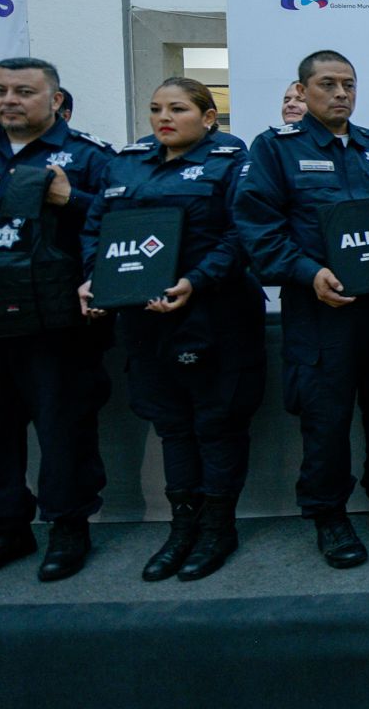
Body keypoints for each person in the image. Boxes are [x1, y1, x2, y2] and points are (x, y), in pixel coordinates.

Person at [233, 50, 369, 568]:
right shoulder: (276, 149)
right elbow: (258, 228)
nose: (341, 93)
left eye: (349, 84)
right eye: (327, 84)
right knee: (325, 418)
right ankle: (329, 515)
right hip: (321, 309)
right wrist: (306, 273)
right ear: (302, 91)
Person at [0, 58, 115, 586]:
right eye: (0, 90)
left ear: (55, 100)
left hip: (53, 322)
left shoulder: (89, 155)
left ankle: (69, 526)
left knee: (64, 428)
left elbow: (119, 224)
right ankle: (3, 528)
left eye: (24, 92)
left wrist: (70, 198)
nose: (9, 100)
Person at [80, 78, 264, 580]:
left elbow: (241, 234)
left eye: (178, 109)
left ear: (208, 117)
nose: (164, 118)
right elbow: (97, 228)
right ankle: (182, 527)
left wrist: (196, 281)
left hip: (214, 315)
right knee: (172, 426)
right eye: (157, 108)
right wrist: (95, 278)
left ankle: (218, 528)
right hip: (144, 320)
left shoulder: (231, 161)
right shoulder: (126, 162)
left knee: (217, 424)